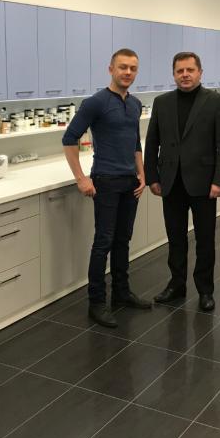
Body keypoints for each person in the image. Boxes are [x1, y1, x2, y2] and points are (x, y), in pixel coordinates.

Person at [62, 48, 151, 328]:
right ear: (110, 69)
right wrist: (81, 178)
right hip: (106, 181)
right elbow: (69, 138)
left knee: (123, 240)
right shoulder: (95, 103)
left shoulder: (135, 104)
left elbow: (135, 142)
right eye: (123, 67)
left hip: (130, 182)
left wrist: (142, 173)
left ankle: (122, 293)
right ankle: (97, 303)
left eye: (133, 68)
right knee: (104, 242)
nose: (128, 72)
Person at [145, 52, 220, 311]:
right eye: (180, 71)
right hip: (170, 181)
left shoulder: (215, 102)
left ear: (200, 73)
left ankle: (205, 290)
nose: (185, 75)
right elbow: (152, 142)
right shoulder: (162, 103)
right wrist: (152, 177)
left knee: (205, 239)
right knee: (175, 238)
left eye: (190, 70)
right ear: (174, 74)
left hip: (203, 182)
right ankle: (177, 284)